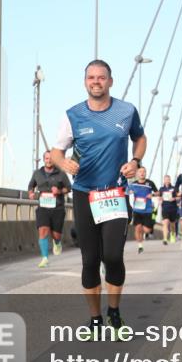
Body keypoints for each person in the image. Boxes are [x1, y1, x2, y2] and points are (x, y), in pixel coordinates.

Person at [51, 59, 145, 336]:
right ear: (85, 82)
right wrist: (64, 163)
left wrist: (136, 161)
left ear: (110, 81)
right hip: (84, 194)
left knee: (113, 256)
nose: (96, 82)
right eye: (91, 78)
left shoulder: (127, 111)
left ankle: (114, 314)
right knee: (90, 260)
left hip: (115, 193)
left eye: (101, 77)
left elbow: (140, 138)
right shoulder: (73, 114)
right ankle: (95, 320)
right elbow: (56, 151)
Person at [28, 150, 71, 267]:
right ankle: (45, 258)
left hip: (57, 207)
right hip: (43, 207)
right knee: (43, 231)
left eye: (51, 158)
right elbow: (31, 185)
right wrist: (31, 193)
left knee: (55, 234)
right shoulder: (37, 173)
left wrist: (59, 191)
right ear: (44, 160)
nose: (49, 161)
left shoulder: (61, 173)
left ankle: (57, 242)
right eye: (46, 158)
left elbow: (68, 188)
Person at [127, 167, 159, 253]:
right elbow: (126, 192)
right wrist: (130, 192)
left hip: (148, 210)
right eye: (140, 171)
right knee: (137, 228)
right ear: (137, 173)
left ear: (146, 173)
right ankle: (140, 246)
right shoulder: (133, 184)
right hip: (137, 210)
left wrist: (152, 195)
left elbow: (158, 193)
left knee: (146, 230)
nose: (142, 173)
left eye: (144, 172)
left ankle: (149, 231)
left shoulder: (150, 183)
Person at [159, 174, 179, 244]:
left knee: (172, 224)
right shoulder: (161, 189)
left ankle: (172, 235)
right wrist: (160, 199)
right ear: (164, 181)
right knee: (165, 222)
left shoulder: (174, 188)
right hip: (165, 208)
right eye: (165, 180)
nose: (167, 181)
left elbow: (179, 197)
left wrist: (174, 198)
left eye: (168, 179)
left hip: (173, 208)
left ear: (170, 180)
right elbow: (160, 197)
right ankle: (165, 239)